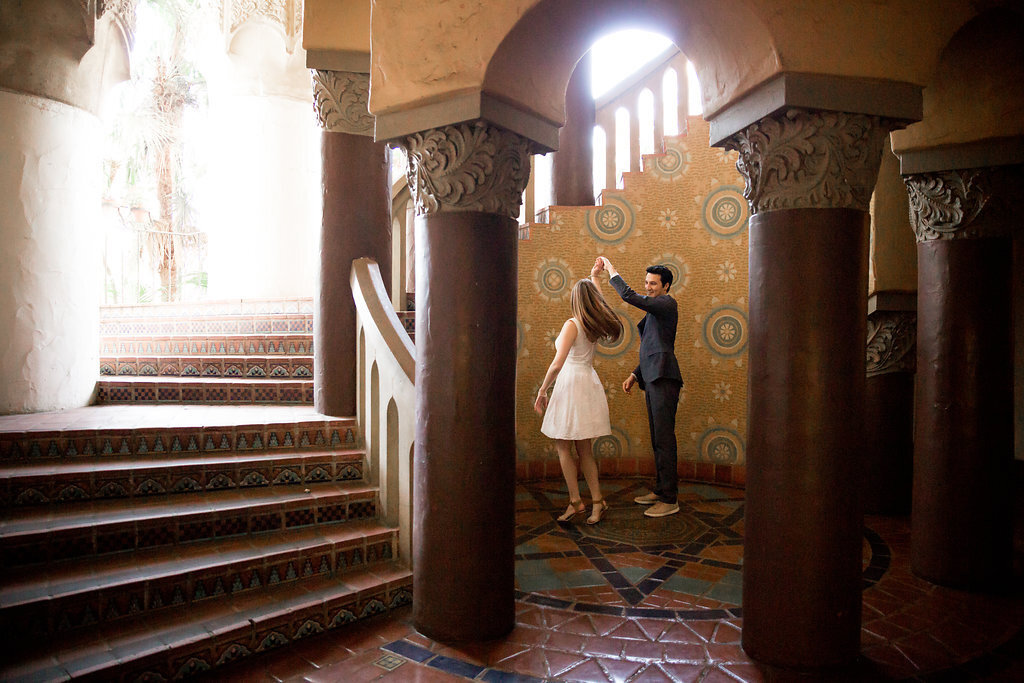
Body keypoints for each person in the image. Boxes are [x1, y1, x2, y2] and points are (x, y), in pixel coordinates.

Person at [534, 263, 623, 525]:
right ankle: (596, 502)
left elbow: (557, 364)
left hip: (571, 384)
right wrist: (595, 278)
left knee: (563, 446)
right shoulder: (594, 323)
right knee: (585, 449)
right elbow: (602, 304)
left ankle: (576, 502)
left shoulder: (572, 324)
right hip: (587, 382)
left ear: (574, 300)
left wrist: (542, 390)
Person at [598, 256, 683, 518]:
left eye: (654, 284)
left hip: (664, 377)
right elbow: (652, 348)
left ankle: (670, 499)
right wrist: (635, 375)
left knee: (664, 439)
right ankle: (660, 490)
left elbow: (629, 296)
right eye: (646, 283)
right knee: (658, 438)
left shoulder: (667, 303)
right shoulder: (655, 311)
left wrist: (612, 271)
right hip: (652, 376)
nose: (648, 287)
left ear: (666, 286)